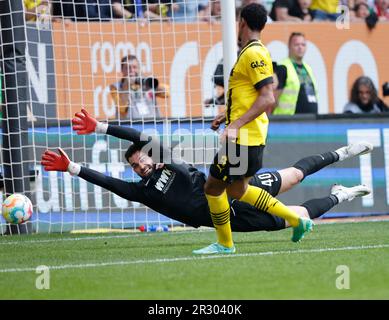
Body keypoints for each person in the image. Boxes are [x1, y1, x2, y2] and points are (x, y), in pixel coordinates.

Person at [41, 108, 372, 234]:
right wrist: (73, 168)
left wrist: (102, 127)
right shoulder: (143, 192)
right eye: (133, 166)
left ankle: (342, 152)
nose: (139, 165)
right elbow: (110, 184)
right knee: (298, 215)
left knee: (295, 175)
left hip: (236, 188)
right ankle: (339, 196)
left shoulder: (165, 158)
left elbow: (140, 137)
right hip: (230, 218)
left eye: (140, 159)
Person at [195, 3, 314, 256]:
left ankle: (225, 244)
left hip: (243, 140)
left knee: (212, 188)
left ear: (242, 22)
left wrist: (235, 125)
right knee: (238, 190)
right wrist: (225, 117)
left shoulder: (254, 54)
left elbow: (267, 98)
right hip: (250, 137)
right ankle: (296, 219)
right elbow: (249, 97)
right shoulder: (255, 52)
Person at [109, 54, 168, 121]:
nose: (131, 70)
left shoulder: (146, 81)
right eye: (127, 68)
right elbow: (122, 108)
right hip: (131, 127)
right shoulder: (116, 87)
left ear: (139, 68)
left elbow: (166, 93)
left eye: (134, 67)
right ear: (122, 70)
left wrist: (152, 84)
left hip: (153, 125)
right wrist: (126, 86)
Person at [272, 32, 318, 115]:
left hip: (310, 121)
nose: (300, 47)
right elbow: (273, 98)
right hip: (288, 121)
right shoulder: (283, 67)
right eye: (296, 45)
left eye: (303, 45)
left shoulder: (308, 68)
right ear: (289, 47)